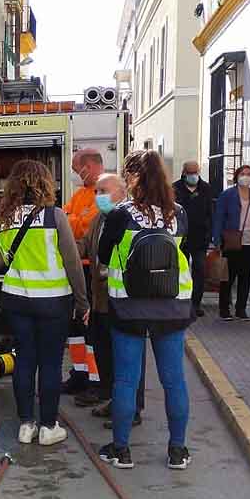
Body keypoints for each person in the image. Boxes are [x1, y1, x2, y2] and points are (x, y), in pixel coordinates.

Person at [97, 150, 194, 470]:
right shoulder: (178, 212)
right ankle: (177, 450)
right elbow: (186, 249)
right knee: (174, 380)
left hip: (128, 305)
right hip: (171, 305)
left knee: (126, 380)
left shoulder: (120, 214)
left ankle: (121, 450)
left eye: (127, 174)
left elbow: (103, 254)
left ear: (134, 177)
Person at [0, 160, 89, 445]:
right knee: (50, 363)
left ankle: (25, 425)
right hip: (54, 303)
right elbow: (72, 263)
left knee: (24, 360)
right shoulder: (54, 216)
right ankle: (48, 427)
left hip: (16, 301)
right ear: (44, 183)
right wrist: (83, 303)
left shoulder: (4, 218)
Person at [81, 174, 146, 428]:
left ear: (121, 192)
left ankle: (132, 409)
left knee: (127, 360)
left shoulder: (130, 219)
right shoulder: (99, 219)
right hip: (100, 302)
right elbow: (85, 246)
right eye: (97, 191)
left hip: (123, 303)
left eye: (104, 191)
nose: (99, 197)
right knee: (105, 357)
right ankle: (113, 401)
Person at [62, 148, 104, 396]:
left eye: (79, 169)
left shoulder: (104, 192)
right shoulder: (80, 195)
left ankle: (96, 381)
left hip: (94, 274)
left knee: (92, 329)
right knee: (76, 328)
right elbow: (67, 220)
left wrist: (73, 219)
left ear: (89, 165)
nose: (77, 174)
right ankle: (79, 375)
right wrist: (75, 219)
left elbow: (85, 226)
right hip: (78, 270)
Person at [212, 165, 250, 321]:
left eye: (248, 174)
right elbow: (218, 218)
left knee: (245, 276)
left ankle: (241, 308)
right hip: (231, 239)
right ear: (236, 176)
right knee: (228, 275)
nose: (245, 176)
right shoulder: (227, 195)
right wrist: (217, 239)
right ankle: (224, 308)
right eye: (242, 174)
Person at [173, 160, 213, 317]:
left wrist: (211, 234)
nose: (192, 175)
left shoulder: (206, 188)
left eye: (195, 172)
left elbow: (210, 211)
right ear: (184, 172)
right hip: (180, 237)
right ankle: (179, 301)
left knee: (200, 270)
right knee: (178, 270)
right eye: (189, 172)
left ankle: (196, 304)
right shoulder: (175, 188)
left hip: (200, 237)